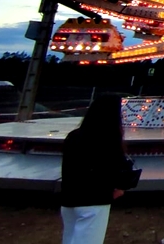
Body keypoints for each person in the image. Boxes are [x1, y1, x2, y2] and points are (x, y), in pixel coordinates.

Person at [60, 94, 130, 244]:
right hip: (95, 200)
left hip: (69, 199)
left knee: (70, 239)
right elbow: (115, 169)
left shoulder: (73, 137)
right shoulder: (108, 139)